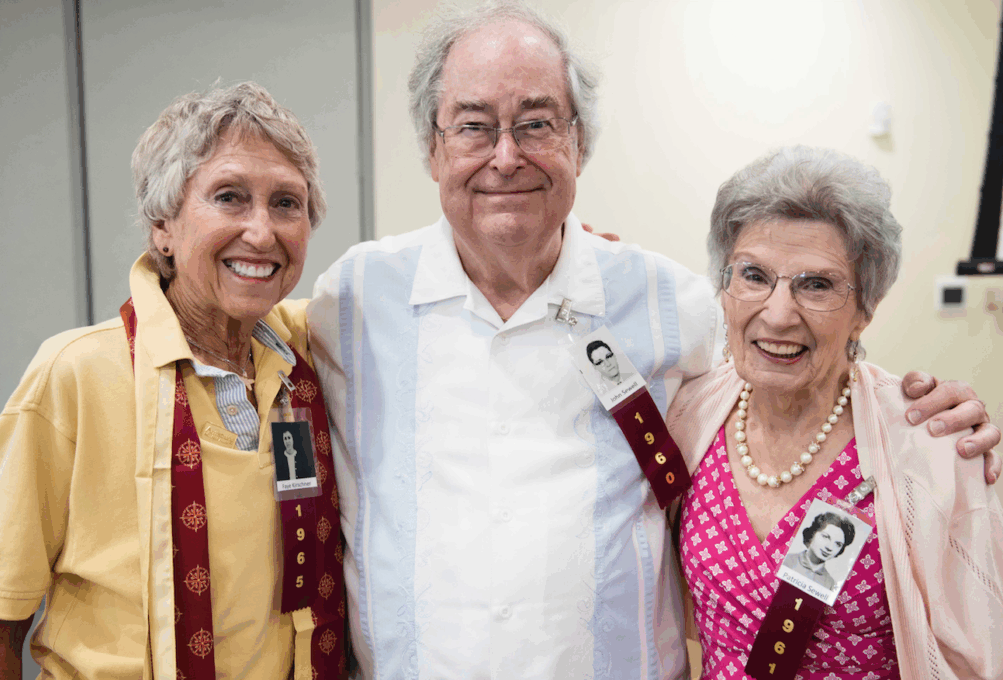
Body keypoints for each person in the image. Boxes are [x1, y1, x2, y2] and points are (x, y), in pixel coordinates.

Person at [306, 3, 1000, 678]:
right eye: (474, 127)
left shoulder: (674, 304)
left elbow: (797, 368)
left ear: (578, 141)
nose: (507, 155)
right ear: (432, 146)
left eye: (537, 123)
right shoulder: (352, 301)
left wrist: (929, 409)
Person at [0, 82, 346, 679]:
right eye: (229, 197)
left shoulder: (308, 356)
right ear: (163, 226)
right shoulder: (75, 374)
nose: (262, 232)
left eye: (287, 203)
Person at [667, 146, 1003, 679]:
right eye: (753, 276)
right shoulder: (687, 416)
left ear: (864, 310)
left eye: (816, 285)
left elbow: (984, 650)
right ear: (724, 289)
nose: (778, 314)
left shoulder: (931, 442)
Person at [782, 511, 855, 591]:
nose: (830, 547)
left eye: (838, 544)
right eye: (826, 537)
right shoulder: (786, 560)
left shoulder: (830, 584)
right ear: (813, 533)